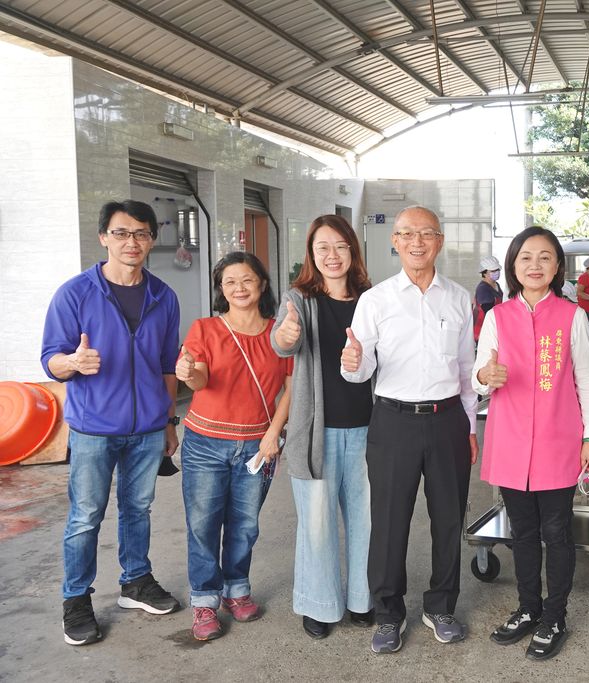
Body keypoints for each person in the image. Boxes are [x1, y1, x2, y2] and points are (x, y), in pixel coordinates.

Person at [41, 200, 182, 646]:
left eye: (141, 233)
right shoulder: (74, 293)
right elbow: (51, 360)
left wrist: (168, 421)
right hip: (93, 430)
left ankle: (135, 582)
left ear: (151, 241)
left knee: (137, 510)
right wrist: (73, 362)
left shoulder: (164, 295)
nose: (131, 242)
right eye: (121, 233)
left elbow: (167, 366)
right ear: (104, 238)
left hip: (146, 430)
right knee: (86, 516)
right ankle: (76, 599)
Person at [341, 206, 478, 654]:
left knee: (449, 519)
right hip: (393, 421)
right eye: (406, 234)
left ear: (439, 241)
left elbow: (464, 368)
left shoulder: (458, 298)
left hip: (447, 421)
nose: (416, 242)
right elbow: (360, 371)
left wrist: (470, 426)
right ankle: (388, 613)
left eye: (425, 234)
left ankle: (440, 606)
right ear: (394, 242)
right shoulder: (375, 300)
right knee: (389, 523)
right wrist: (353, 364)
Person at [473, 227, 589, 661]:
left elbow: (587, 379)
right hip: (511, 442)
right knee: (522, 532)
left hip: (557, 440)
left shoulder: (571, 315)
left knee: (557, 531)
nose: (534, 265)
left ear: (556, 267)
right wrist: (485, 377)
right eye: (525, 257)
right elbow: (480, 372)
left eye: (545, 257)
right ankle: (528, 608)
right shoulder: (498, 317)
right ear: (513, 265)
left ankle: (555, 615)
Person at [176, 252, 293, 641]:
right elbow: (199, 381)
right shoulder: (205, 329)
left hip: (257, 445)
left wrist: (274, 433)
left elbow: (292, 387)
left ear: (262, 284)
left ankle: (237, 589)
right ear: (221, 289)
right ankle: (205, 600)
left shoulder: (280, 333)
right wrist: (189, 372)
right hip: (205, 442)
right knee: (203, 524)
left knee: (244, 526)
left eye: (247, 279)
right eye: (230, 282)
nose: (239, 288)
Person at [270, 215, 375, 640]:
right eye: (322, 248)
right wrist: (287, 332)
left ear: (353, 250)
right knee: (316, 524)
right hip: (317, 431)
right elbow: (284, 342)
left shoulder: (372, 298)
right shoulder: (298, 298)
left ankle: (363, 599)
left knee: (367, 520)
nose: (332, 256)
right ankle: (319, 603)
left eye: (340, 246)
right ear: (311, 255)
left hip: (370, 428)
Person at [473, 256, 504, 341]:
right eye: (493, 271)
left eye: (497, 270)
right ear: (485, 273)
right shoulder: (483, 288)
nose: (497, 272)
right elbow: (488, 312)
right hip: (485, 329)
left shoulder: (496, 285)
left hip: (496, 326)